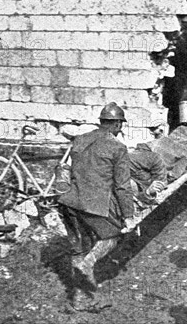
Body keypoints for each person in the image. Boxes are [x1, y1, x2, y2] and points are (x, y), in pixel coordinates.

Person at [58, 102, 136, 289]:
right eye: (120, 125)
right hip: (92, 203)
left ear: (101, 121)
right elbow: (122, 186)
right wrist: (129, 216)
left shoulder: (80, 139)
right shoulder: (118, 148)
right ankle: (89, 263)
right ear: (117, 124)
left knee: (79, 249)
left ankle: (79, 295)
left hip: (68, 201)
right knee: (113, 236)